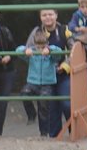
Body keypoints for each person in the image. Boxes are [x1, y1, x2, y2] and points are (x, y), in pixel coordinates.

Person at [16, 10, 65, 138]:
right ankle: (31, 114)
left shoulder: (50, 53)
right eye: (38, 46)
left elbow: (59, 53)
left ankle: (44, 132)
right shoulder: (32, 52)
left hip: (47, 83)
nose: (40, 48)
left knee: (44, 105)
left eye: (42, 45)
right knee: (24, 94)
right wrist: (25, 50)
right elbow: (19, 50)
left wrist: (50, 50)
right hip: (33, 82)